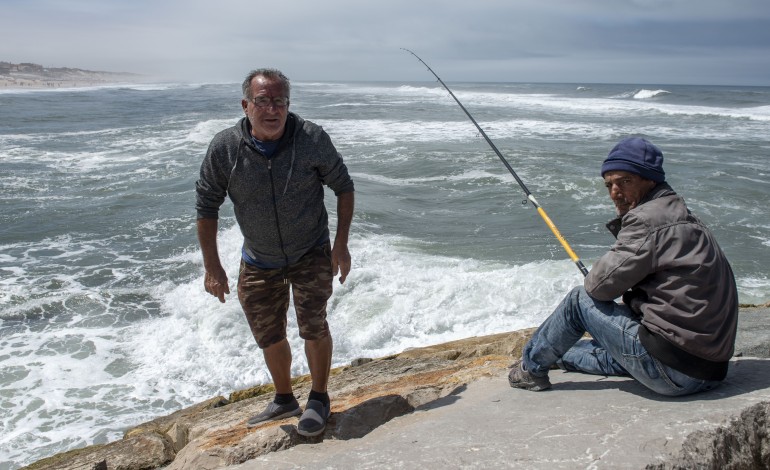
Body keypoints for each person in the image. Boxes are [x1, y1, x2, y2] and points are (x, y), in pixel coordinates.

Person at [508, 137, 738, 396]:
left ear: (649, 179)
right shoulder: (689, 219)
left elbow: (597, 288)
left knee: (578, 300)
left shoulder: (647, 220)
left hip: (670, 372)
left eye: (625, 181)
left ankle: (530, 369)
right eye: (609, 185)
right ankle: (558, 356)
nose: (615, 192)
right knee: (603, 352)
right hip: (709, 371)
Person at [195, 68, 354, 436]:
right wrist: (212, 266)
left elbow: (343, 186)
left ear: (288, 104)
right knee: (268, 332)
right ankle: (284, 397)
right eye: (263, 101)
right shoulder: (225, 148)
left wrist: (341, 244)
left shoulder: (311, 138)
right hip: (258, 257)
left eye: (279, 101)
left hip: (310, 249)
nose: (272, 109)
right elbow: (206, 205)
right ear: (246, 105)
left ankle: (318, 397)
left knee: (313, 322)